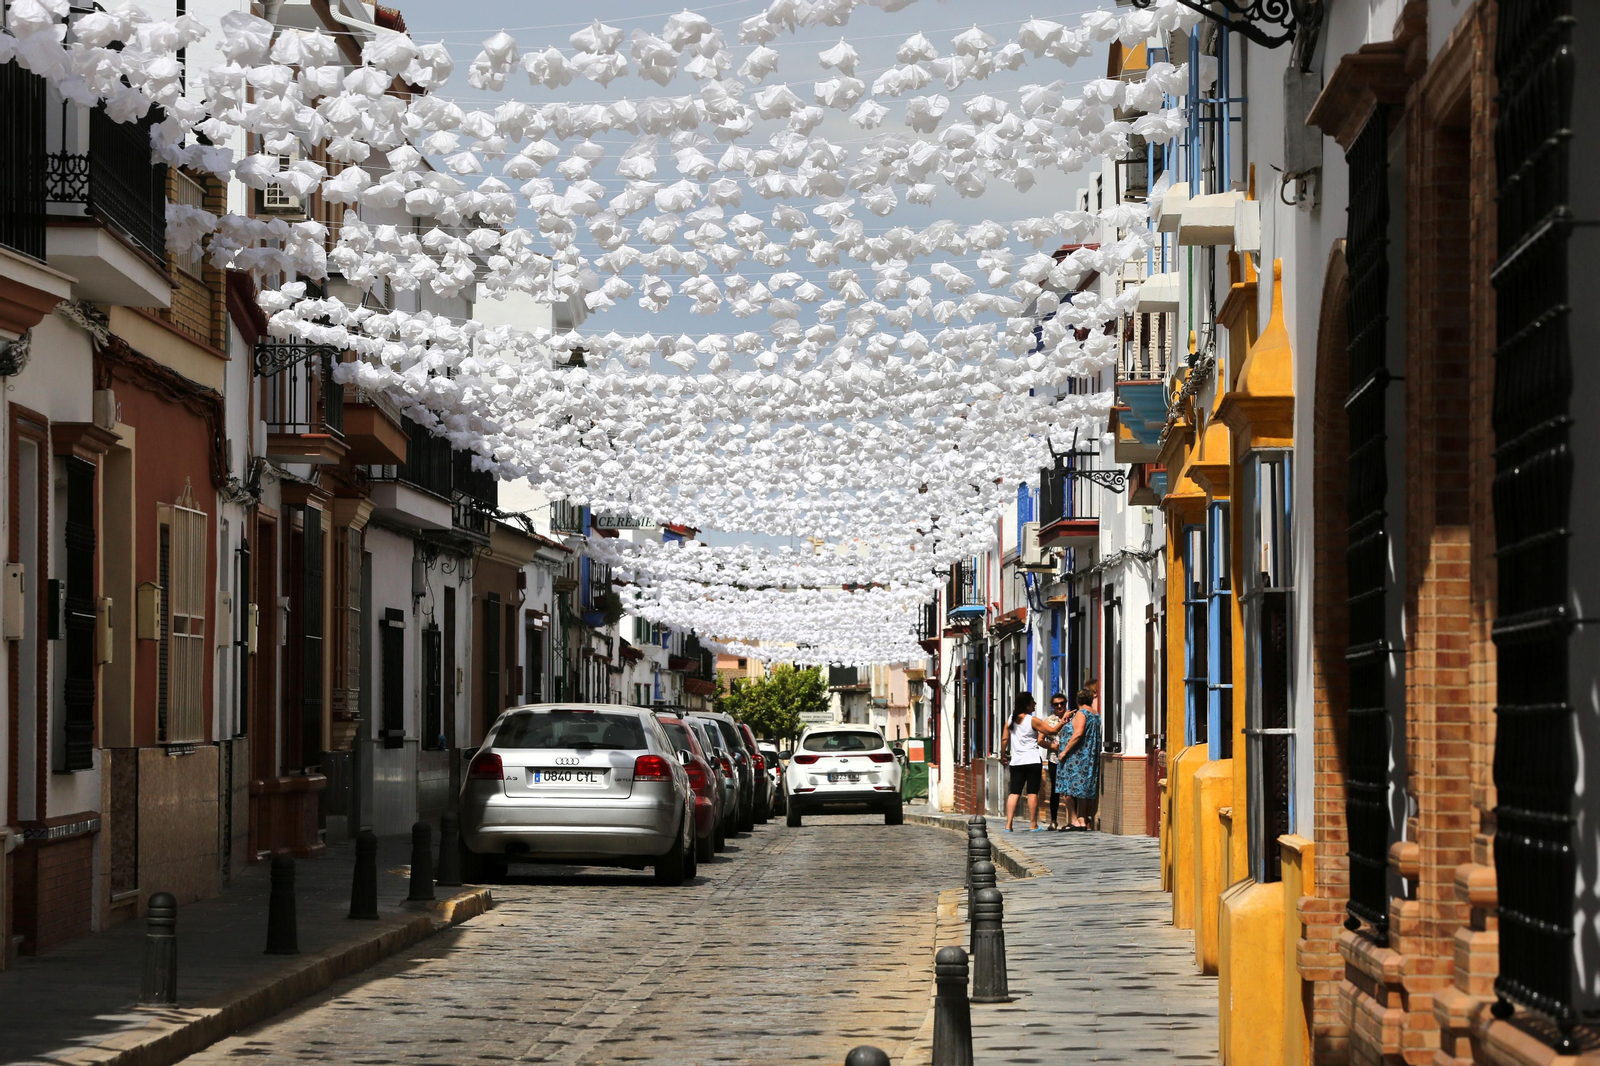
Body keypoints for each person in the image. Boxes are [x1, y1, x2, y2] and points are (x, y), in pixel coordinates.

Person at [1003, 692, 1070, 832]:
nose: (1035, 704)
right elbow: (1052, 731)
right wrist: (1063, 720)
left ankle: (1008, 825)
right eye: (1033, 702)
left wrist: (1003, 755)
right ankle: (1033, 824)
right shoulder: (1032, 720)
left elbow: (1004, 739)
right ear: (1027, 705)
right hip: (1032, 760)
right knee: (1032, 792)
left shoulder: (1010, 720)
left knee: (1014, 792)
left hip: (1016, 761)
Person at [1055, 687, 1103, 830]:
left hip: (1075, 758)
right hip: (1088, 757)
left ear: (1078, 700)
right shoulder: (1095, 715)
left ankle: (1074, 820)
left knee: (1066, 789)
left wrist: (1064, 751)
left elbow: (1078, 733)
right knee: (1082, 790)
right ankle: (1082, 819)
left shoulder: (1082, 713)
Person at [1041, 693, 1069, 828]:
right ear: (1052, 706)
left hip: (1071, 758)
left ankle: (1073, 819)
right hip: (1054, 759)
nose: (1059, 706)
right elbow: (1040, 740)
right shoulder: (1048, 720)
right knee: (1055, 790)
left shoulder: (1072, 717)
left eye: (1062, 703)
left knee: (1070, 789)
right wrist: (1052, 746)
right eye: (1056, 704)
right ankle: (1053, 820)